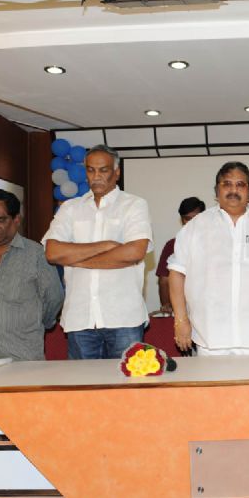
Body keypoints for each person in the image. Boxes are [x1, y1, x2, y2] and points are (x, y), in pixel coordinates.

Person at [168, 161, 249, 356]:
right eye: (227, 184)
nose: (233, 190)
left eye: (240, 184)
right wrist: (180, 320)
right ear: (217, 190)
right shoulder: (195, 227)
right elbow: (177, 273)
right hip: (211, 339)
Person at [43, 144, 153, 359]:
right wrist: (105, 245)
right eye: (91, 170)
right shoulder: (70, 208)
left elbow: (134, 252)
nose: (96, 176)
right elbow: (52, 252)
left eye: (103, 170)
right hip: (79, 317)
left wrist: (75, 259)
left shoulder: (134, 205)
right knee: (83, 381)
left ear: (116, 172)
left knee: (128, 380)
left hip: (124, 317)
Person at [0, 189, 64, 360]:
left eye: (0, 220)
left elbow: (54, 298)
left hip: (21, 357)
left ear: (16, 219)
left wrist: (36, 321)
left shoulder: (37, 254)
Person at [155, 197, 205, 313]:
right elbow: (164, 281)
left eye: (196, 218)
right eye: (187, 219)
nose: (191, 223)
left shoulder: (214, 243)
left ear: (204, 218)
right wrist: (167, 306)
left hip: (208, 309)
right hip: (180, 311)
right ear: (182, 220)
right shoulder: (172, 245)